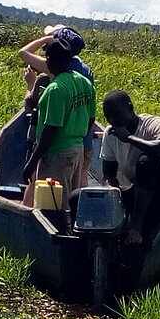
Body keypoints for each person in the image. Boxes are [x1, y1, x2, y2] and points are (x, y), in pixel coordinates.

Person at [99, 90, 160, 245]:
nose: (112, 120)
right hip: (140, 195)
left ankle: (135, 228)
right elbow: (108, 174)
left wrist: (129, 138)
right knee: (78, 198)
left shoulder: (154, 125)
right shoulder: (110, 134)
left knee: (146, 162)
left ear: (130, 109)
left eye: (117, 114)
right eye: (108, 116)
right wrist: (111, 195)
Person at [21, 37, 96, 214]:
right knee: (71, 201)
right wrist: (76, 136)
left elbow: (50, 130)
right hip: (77, 150)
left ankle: (56, 240)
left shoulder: (55, 89)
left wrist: (32, 162)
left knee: (53, 206)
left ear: (48, 61)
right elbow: (90, 119)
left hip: (57, 154)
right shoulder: (84, 83)